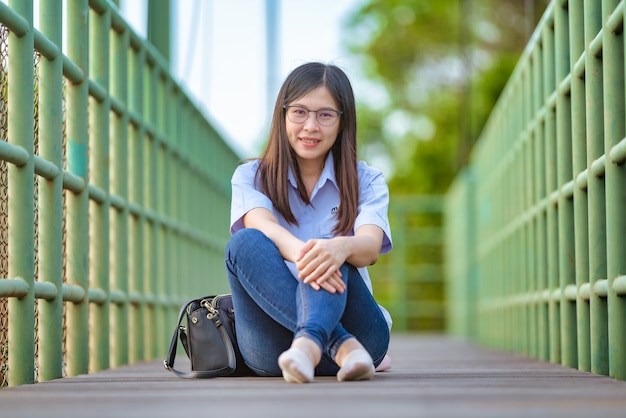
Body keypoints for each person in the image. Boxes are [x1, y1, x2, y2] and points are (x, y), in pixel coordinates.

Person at [224, 62, 393, 384]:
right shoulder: (249, 176)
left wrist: (338, 247)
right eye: (299, 112)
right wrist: (316, 254)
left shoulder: (366, 179)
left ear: (343, 122)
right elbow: (264, 225)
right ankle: (336, 346)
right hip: (276, 351)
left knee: (337, 248)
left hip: (364, 337)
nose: (311, 126)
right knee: (243, 243)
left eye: (325, 115)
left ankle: (316, 342)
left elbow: (369, 248)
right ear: (283, 115)